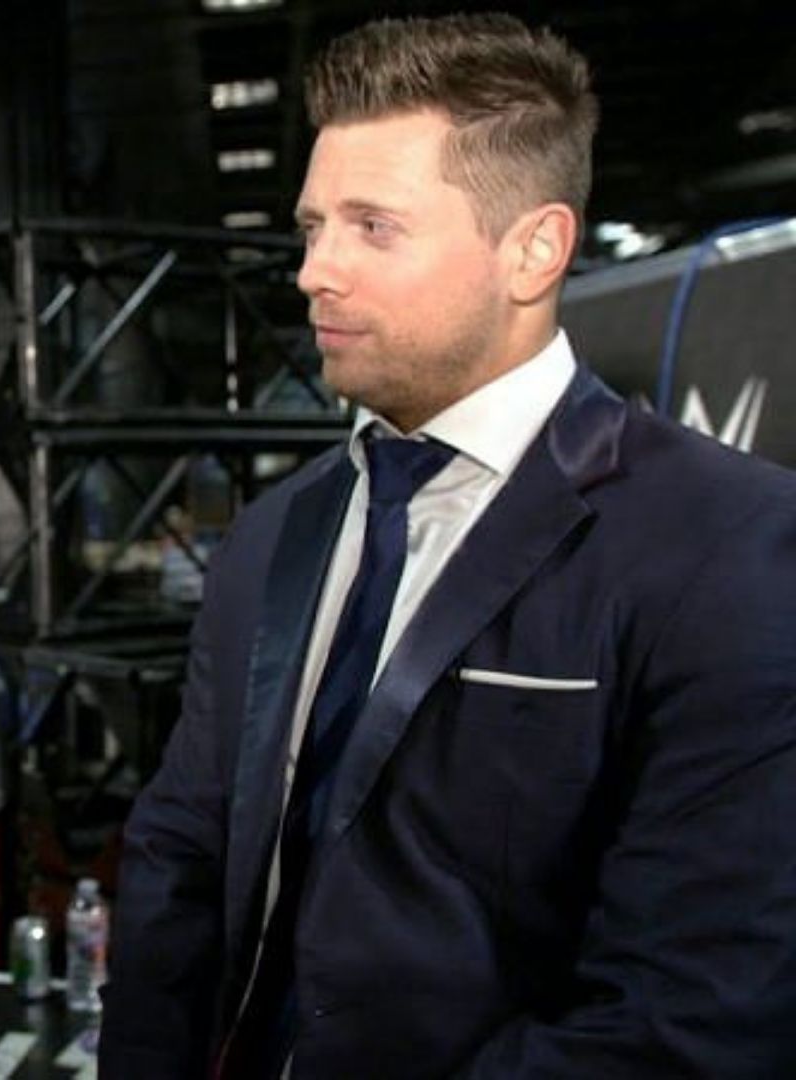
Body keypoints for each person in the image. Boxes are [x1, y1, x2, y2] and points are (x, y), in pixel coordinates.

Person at [101, 13, 796, 1079]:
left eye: (373, 227)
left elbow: (691, 1008)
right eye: (312, 225)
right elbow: (181, 858)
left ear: (535, 250)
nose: (313, 272)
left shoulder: (723, 547)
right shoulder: (273, 539)